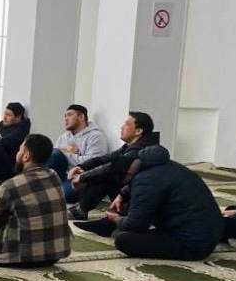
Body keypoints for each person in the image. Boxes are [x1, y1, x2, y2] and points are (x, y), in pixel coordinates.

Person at [92, 146, 224, 261]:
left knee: (124, 240)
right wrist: (122, 195)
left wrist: (117, 219)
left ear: (129, 173)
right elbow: (145, 186)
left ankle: (108, 224)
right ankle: (105, 225)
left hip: (193, 244)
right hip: (208, 231)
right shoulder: (159, 165)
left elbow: (135, 225)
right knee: (138, 202)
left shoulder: (145, 181)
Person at [0, 134, 72, 267]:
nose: (17, 153)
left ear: (26, 156)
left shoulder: (11, 185)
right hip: (55, 255)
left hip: (22, 257)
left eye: (20, 150)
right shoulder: (54, 177)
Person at [67, 111, 159, 220]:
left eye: (126, 124)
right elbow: (105, 158)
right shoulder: (130, 147)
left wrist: (82, 177)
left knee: (105, 177)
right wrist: (82, 166)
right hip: (131, 194)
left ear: (138, 131)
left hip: (138, 200)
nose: (121, 127)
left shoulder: (140, 150)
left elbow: (111, 168)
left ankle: (81, 210)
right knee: (100, 174)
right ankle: (81, 209)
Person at [47, 104, 109, 202]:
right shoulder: (64, 137)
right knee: (54, 153)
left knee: (62, 195)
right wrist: (64, 152)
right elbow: (54, 157)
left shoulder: (96, 137)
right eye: (65, 116)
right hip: (62, 174)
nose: (66, 119)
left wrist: (65, 153)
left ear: (81, 117)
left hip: (81, 178)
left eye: (69, 115)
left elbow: (92, 163)